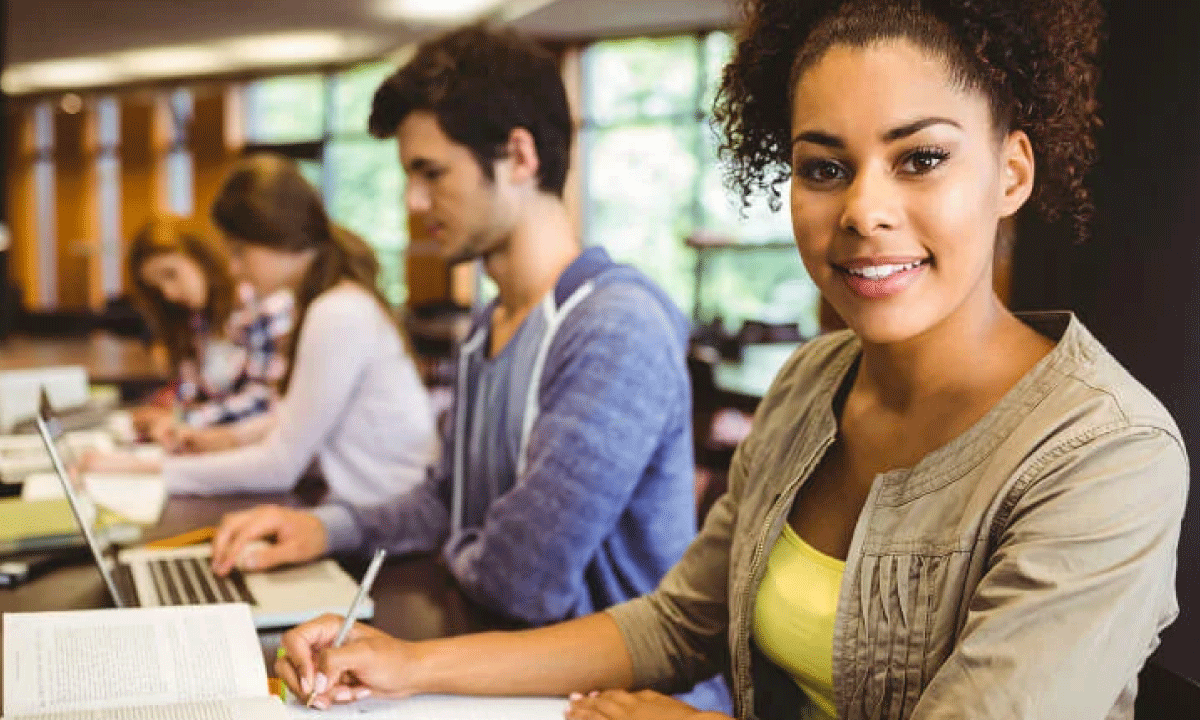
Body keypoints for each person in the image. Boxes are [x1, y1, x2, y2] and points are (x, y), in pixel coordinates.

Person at [272, 1, 1188, 719]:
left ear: (1012, 175)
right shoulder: (807, 387)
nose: (864, 210)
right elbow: (676, 624)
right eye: (825, 167)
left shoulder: (1104, 452)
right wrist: (405, 662)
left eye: (922, 159)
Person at [210, 25, 727, 710]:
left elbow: (522, 581)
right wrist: (323, 527)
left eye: (431, 173)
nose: (413, 204)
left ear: (518, 155)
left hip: (616, 699)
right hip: (508, 670)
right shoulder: (488, 323)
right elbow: (444, 501)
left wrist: (458, 538)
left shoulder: (614, 325)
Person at [88, 155, 438, 506]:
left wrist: (144, 469)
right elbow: (297, 419)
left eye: (240, 251)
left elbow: (279, 466)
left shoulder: (337, 312)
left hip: (385, 522)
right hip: (367, 510)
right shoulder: (331, 301)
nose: (235, 269)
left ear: (278, 236)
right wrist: (225, 439)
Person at [124, 214, 292, 452]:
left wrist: (185, 420)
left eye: (171, 274)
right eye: (158, 288)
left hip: (262, 455)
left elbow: (265, 401)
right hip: (214, 453)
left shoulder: (261, 306)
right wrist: (169, 415)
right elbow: (197, 395)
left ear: (201, 258)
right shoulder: (196, 321)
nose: (169, 294)